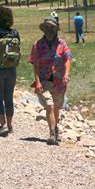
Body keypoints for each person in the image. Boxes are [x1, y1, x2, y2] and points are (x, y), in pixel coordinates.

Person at [29, 16, 71, 145]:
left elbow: (67, 59)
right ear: (43, 29)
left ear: (56, 29)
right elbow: (35, 65)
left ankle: (55, 128)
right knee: (50, 106)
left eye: (51, 27)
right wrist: (38, 82)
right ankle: (52, 133)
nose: (49, 30)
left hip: (59, 81)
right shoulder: (37, 45)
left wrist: (66, 74)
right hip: (44, 80)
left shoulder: (62, 44)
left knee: (57, 108)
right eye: (47, 27)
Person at [0, 6, 21, 136]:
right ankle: (10, 125)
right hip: (11, 69)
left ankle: (3, 125)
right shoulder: (15, 33)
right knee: (9, 98)